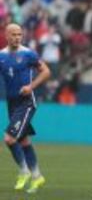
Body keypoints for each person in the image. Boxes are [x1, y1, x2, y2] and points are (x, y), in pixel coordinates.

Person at [0, 23, 51, 193]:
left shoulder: (28, 54)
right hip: (12, 104)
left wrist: (31, 86)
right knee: (23, 140)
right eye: (13, 34)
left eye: (19, 34)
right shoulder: (1, 56)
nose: (16, 37)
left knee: (9, 138)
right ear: (6, 36)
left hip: (27, 102)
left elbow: (46, 71)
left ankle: (24, 171)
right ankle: (37, 177)